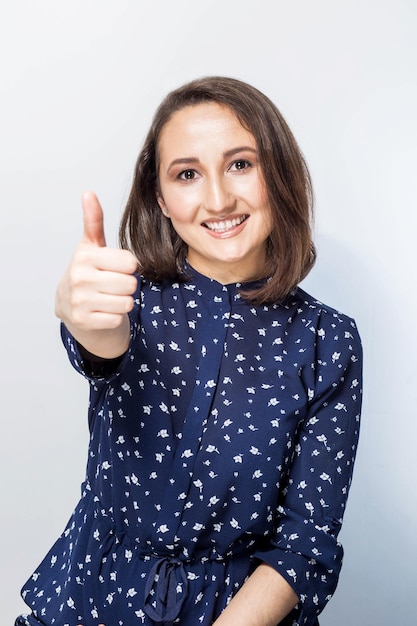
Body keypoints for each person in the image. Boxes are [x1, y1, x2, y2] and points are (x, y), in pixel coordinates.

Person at [16, 76, 362, 626]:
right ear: (161, 197)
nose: (219, 198)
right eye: (187, 174)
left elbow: (305, 542)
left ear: (279, 172)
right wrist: (84, 317)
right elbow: (100, 347)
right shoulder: (127, 299)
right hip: (90, 602)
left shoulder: (327, 340)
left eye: (241, 164)